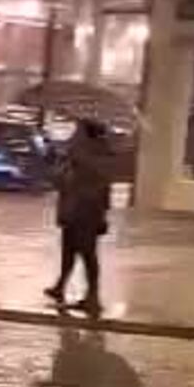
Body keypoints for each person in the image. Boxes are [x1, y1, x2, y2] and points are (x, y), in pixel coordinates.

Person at [45, 119, 116, 314]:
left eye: (79, 130)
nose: (75, 133)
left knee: (87, 254)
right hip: (72, 210)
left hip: (86, 213)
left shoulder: (96, 155)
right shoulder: (75, 155)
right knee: (68, 250)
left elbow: (101, 187)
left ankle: (93, 297)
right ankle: (60, 287)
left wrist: (102, 214)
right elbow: (60, 181)